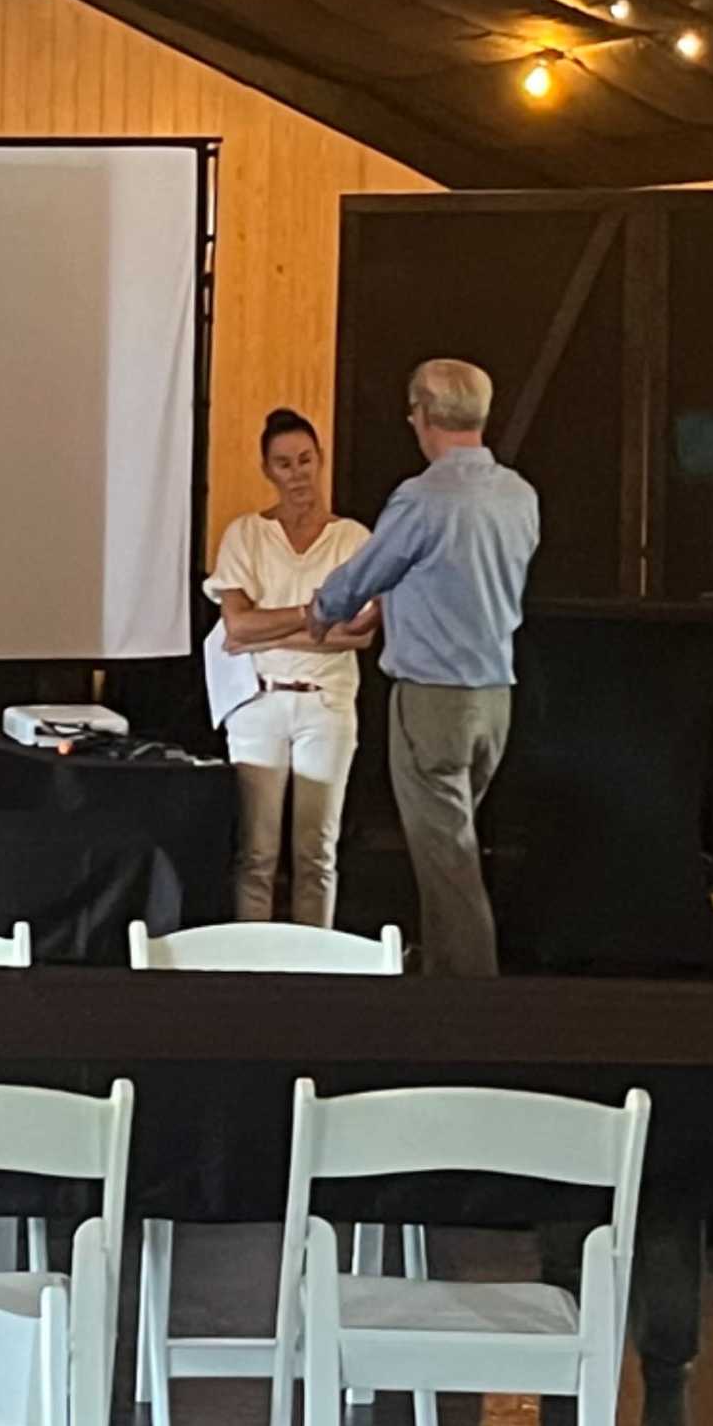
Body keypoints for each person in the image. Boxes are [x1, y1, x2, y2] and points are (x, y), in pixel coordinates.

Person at [295, 357, 539, 978]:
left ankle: (468, 1009)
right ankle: (440, 982)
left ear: (424, 415)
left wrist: (324, 608)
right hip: (495, 700)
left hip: (433, 698)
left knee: (448, 862)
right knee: (450, 850)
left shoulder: (423, 498)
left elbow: (370, 571)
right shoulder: (519, 495)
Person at [203, 408, 378, 926]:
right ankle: (253, 965)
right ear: (267, 471)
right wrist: (317, 615)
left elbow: (362, 632)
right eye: (284, 464)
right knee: (257, 853)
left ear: (320, 461)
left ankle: (313, 970)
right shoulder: (246, 535)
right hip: (258, 701)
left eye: (305, 460)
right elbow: (236, 628)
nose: (297, 473)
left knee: (316, 851)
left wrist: (272, 624)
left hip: (326, 704)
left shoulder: (353, 540)